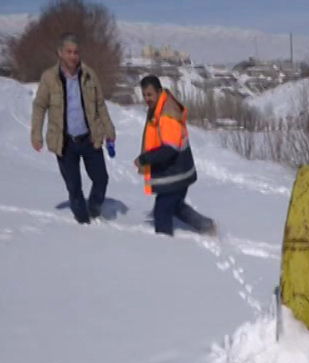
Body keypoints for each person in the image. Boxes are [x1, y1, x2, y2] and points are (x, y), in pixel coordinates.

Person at [31, 32, 116, 224]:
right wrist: (36, 134)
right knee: (74, 186)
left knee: (101, 179)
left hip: (89, 137)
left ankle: (94, 208)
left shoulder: (89, 75)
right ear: (60, 53)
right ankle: (83, 224)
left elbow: (100, 104)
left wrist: (109, 131)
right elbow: (39, 106)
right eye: (68, 51)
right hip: (65, 142)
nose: (73, 56)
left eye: (76, 52)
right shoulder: (49, 78)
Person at [134, 75, 217, 237]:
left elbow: (169, 149)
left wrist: (144, 159)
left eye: (149, 94)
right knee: (176, 206)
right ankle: (207, 226)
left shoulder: (167, 115)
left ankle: (166, 249)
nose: (146, 99)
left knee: (162, 212)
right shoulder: (159, 107)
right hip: (178, 171)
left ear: (159, 92)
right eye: (144, 95)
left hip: (174, 174)